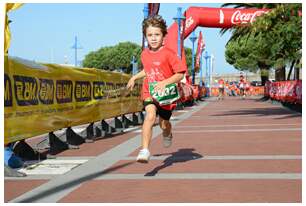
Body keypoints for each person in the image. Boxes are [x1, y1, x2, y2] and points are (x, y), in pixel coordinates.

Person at [126, 15, 186, 163]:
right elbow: (147, 70)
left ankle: (168, 133)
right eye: (150, 35)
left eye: (157, 35)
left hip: (166, 95)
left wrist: (165, 83)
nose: (153, 38)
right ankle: (144, 150)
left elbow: (180, 73)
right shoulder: (144, 54)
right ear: (145, 36)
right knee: (150, 116)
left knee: (163, 124)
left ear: (164, 36)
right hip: (149, 91)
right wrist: (134, 77)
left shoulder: (169, 54)